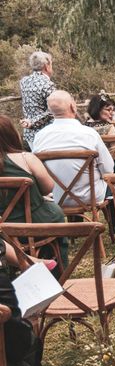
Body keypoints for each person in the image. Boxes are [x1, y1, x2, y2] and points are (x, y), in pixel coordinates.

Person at [0, 114, 67, 267]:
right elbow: (48, 188)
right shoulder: (26, 158)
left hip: (4, 229)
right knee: (56, 213)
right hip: (36, 223)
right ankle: (60, 267)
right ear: (11, 134)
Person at [32, 90, 114, 208]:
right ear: (73, 106)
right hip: (90, 197)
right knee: (113, 185)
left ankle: (75, 224)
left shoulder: (40, 136)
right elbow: (108, 169)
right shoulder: (89, 134)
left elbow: (37, 172)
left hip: (54, 197)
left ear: (50, 111)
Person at [19, 51, 56, 149]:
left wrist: (29, 122)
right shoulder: (47, 84)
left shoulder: (24, 81)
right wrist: (32, 122)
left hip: (29, 134)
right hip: (46, 134)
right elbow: (53, 110)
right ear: (46, 66)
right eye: (51, 63)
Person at [85, 94, 115, 163]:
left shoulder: (83, 127)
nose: (112, 113)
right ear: (98, 109)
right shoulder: (109, 128)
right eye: (108, 109)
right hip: (106, 165)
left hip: (86, 163)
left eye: (113, 110)